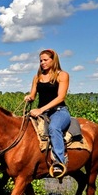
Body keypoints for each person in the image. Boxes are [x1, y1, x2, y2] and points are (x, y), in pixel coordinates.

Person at [23, 48, 71, 178]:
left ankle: (59, 163)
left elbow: (61, 97)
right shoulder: (37, 77)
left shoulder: (62, 75)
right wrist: (29, 97)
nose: (42, 63)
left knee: (54, 128)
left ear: (53, 60)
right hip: (41, 113)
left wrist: (41, 109)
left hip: (59, 111)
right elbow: (33, 95)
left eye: (45, 60)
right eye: (40, 61)